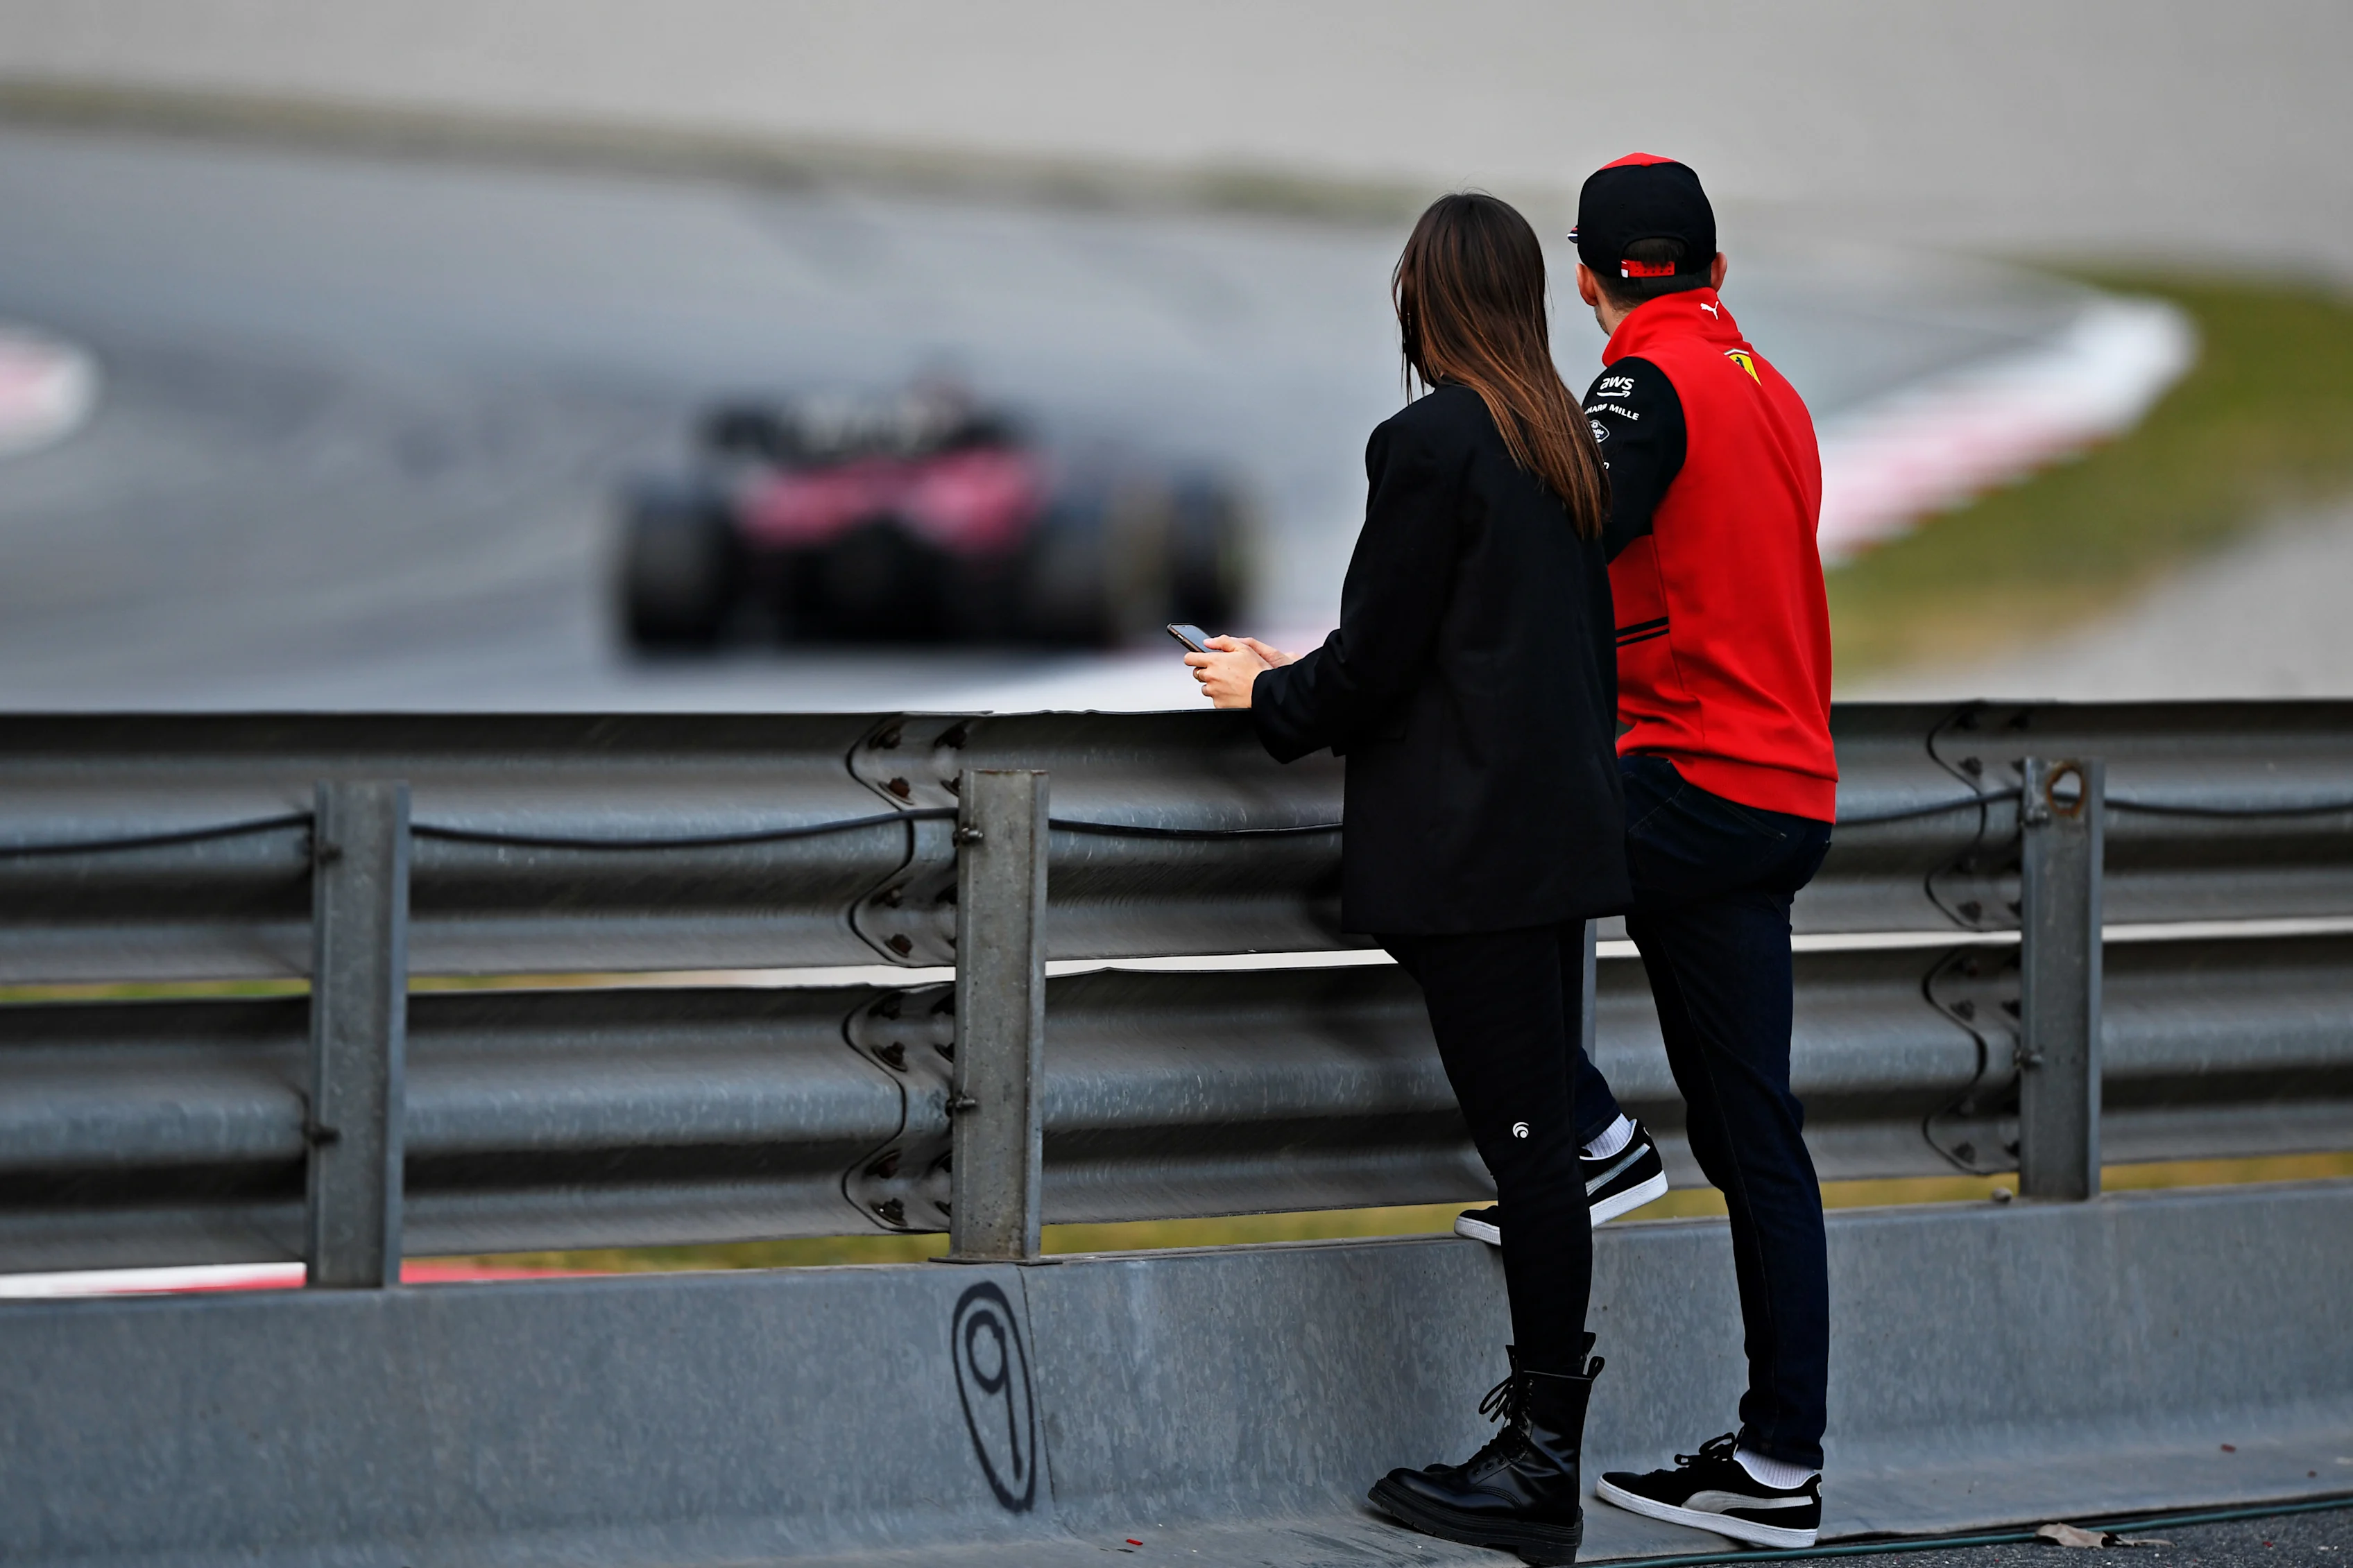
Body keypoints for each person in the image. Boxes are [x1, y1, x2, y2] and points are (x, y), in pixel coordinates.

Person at [1186, 191, 1627, 1567]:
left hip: (1474, 855)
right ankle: (1539, 1453)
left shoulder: (1431, 439)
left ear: (1423, 299)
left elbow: (1378, 662)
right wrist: (1311, 668)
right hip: (1551, 840)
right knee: (1543, 1139)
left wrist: (1265, 691)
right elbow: (1476, 643)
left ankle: (1539, 1468)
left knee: (1532, 1156)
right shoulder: (1557, 436)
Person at [1460, 153, 1840, 1551]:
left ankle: (1594, 1140)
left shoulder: (1641, 381)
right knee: (1756, 1138)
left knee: (1461, 858)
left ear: (1585, 277)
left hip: (1689, 774)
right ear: (1717, 268)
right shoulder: (1772, 389)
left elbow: (1566, 534)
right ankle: (1779, 1465)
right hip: (1787, 791)